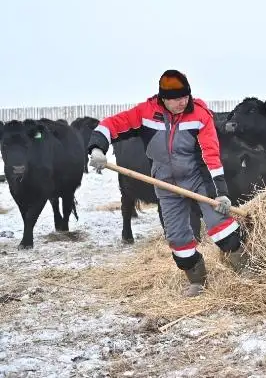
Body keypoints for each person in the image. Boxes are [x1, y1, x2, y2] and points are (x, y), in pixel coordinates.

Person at [86, 69, 249, 297]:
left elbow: (211, 154)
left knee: (221, 225)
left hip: (197, 178)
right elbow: (110, 125)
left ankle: (246, 271)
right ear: (163, 99)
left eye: (185, 97)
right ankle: (197, 281)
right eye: (175, 99)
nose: (182, 102)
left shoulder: (200, 116)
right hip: (165, 183)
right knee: (177, 236)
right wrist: (96, 148)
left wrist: (221, 192)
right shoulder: (145, 114)